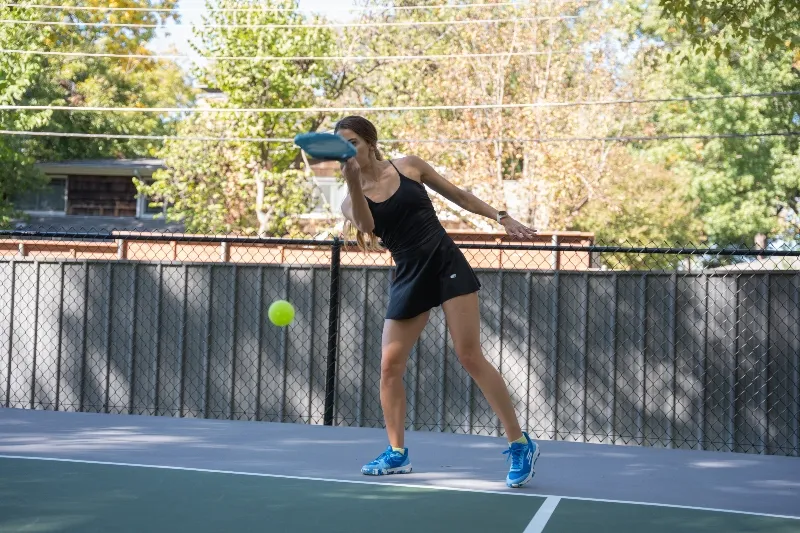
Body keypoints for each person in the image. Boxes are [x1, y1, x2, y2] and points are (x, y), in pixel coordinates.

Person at [335, 115, 540, 488]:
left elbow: (459, 196)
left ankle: (520, 443)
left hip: (445, 261)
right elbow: (366, 227)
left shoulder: (410, 166)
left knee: (469, 355)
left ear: (370, 142)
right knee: (389, 367)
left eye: (353, 142)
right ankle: (397, 454)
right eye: (342, 145)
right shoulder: (349, 201)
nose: (347, 150)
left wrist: (502, 217)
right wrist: (351, 179)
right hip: (409, 273)